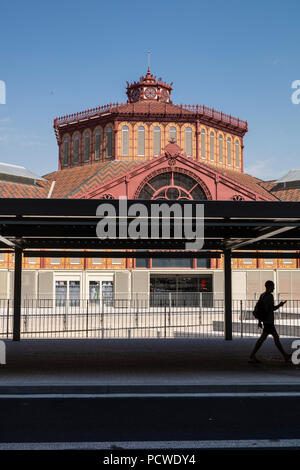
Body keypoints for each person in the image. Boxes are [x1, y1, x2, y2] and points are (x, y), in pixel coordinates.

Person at [249, 280, 292, 364]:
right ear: (269, 287)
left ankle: (252, 355)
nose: (274, 288)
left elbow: (260, 309)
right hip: (269, 321)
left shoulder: (262, 295)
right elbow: (271, 309)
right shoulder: (270, 296)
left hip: (265, 320)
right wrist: (280, 305)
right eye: (273, 286)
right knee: (273, 338)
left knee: (265, 339)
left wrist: (259, 321)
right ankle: (285, 356)